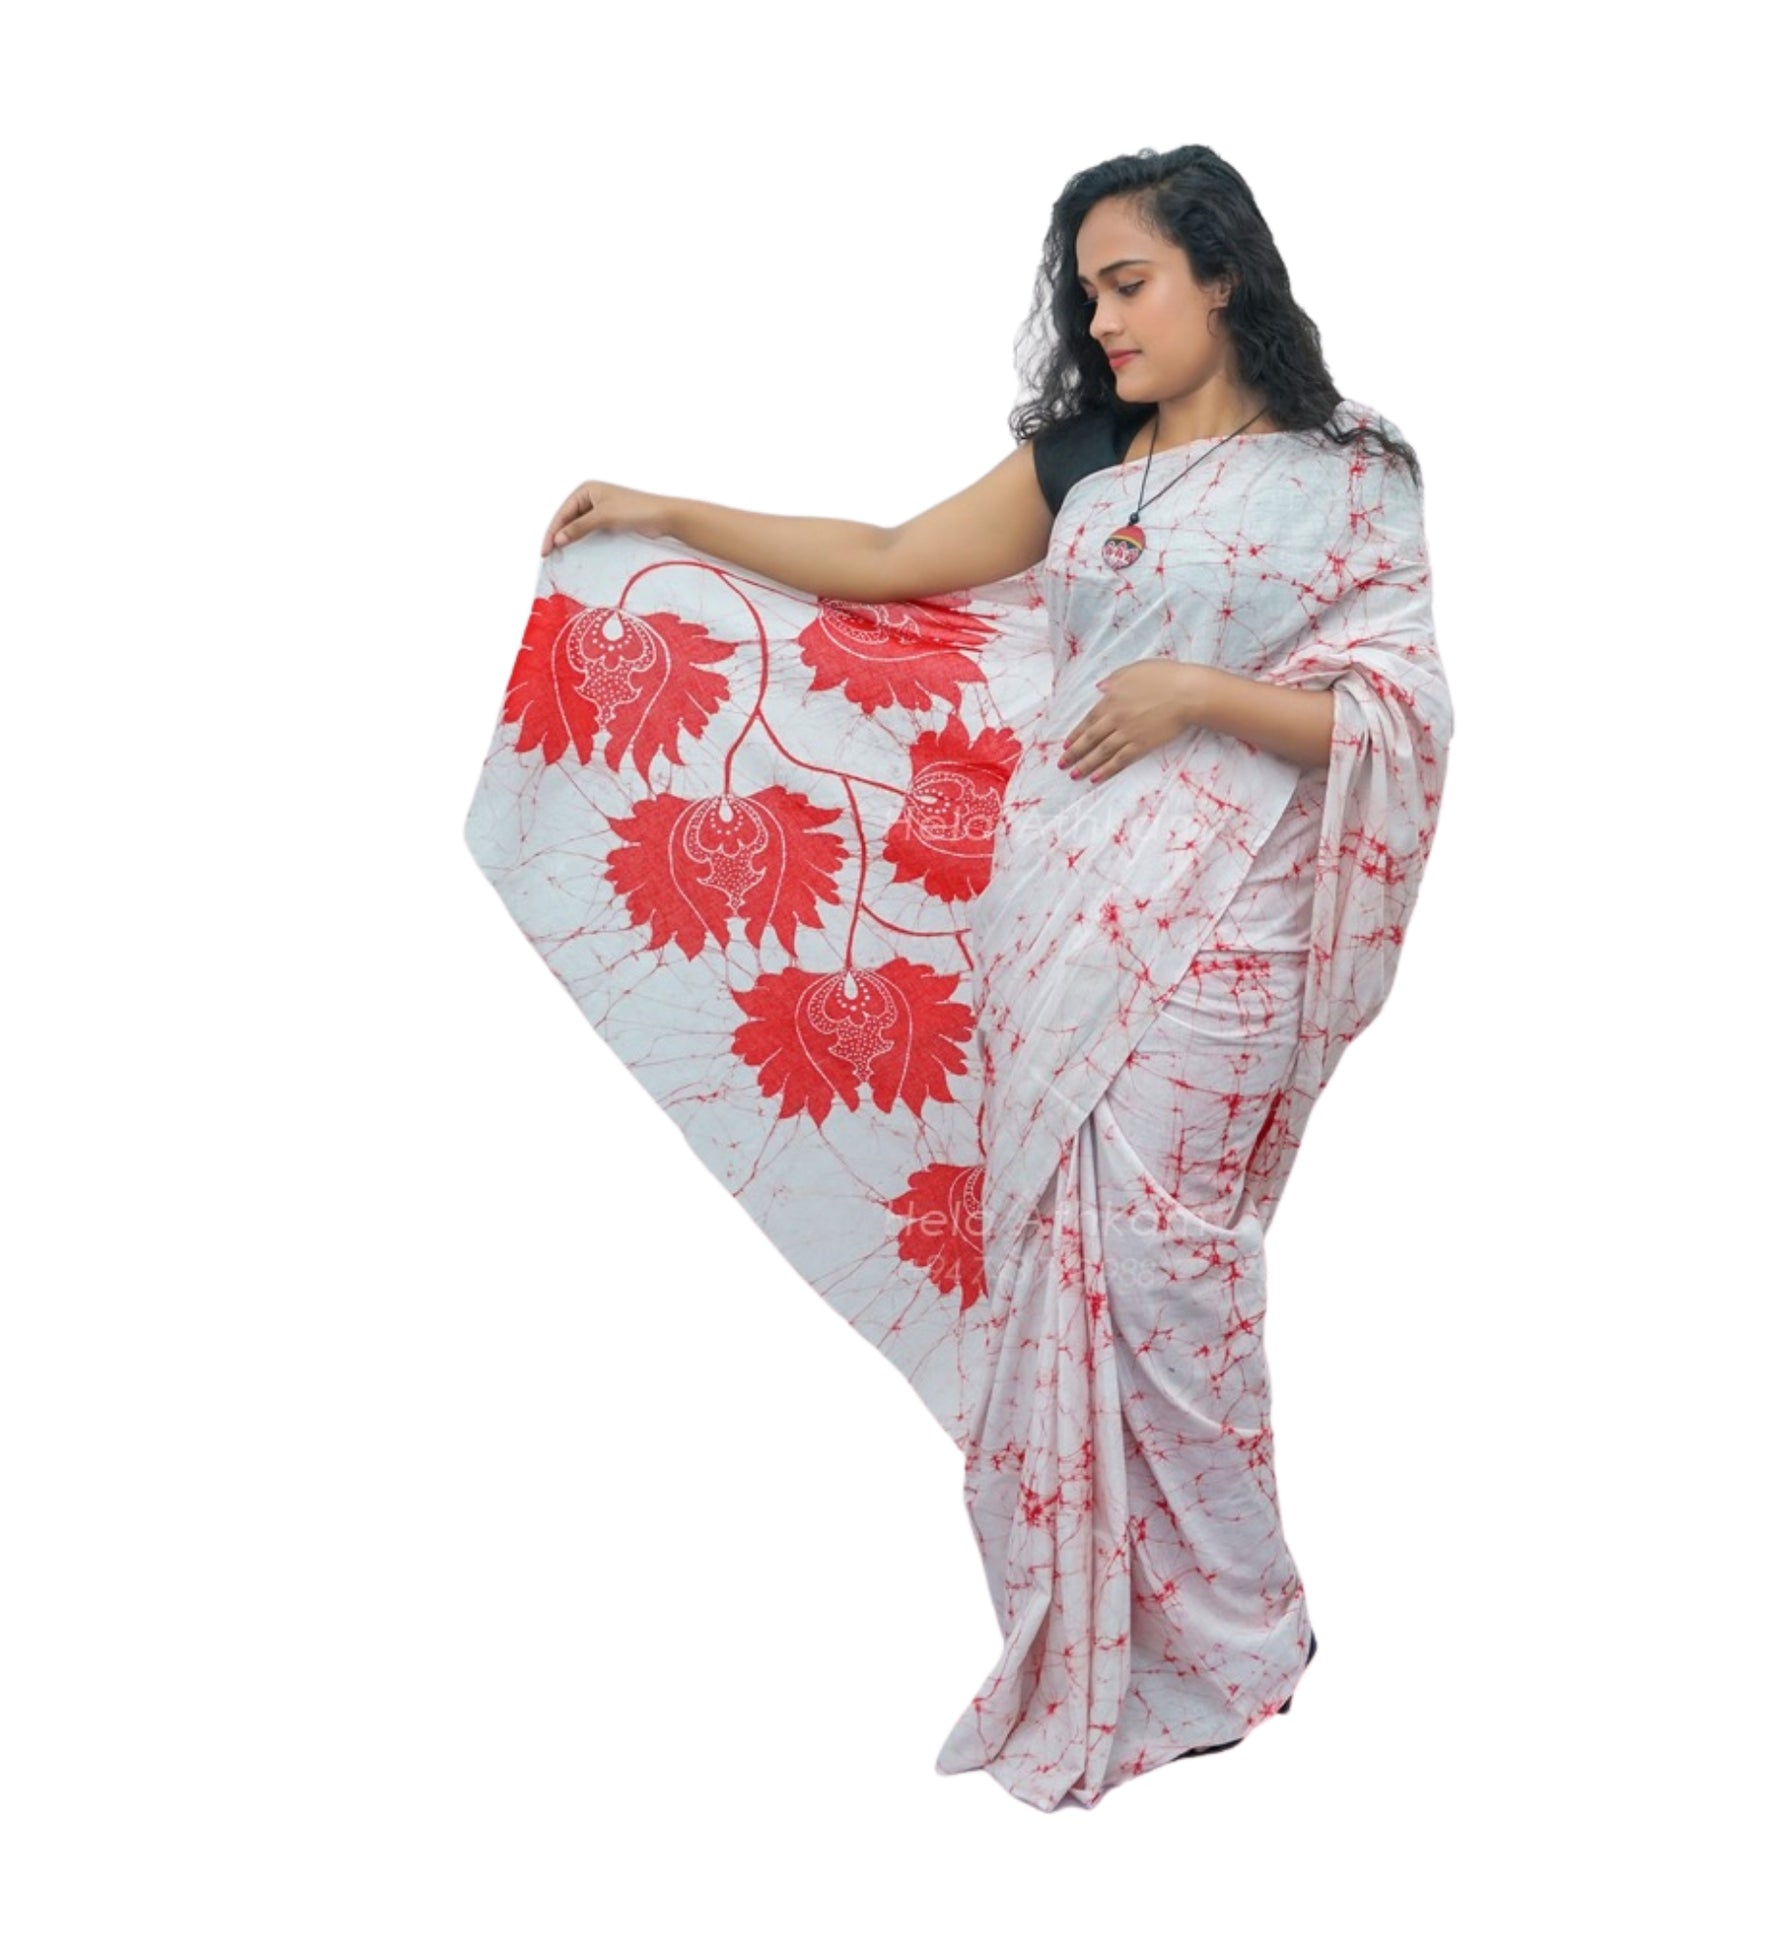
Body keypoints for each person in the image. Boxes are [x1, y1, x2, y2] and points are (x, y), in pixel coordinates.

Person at [468, 143, 1453, 1813]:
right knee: (1062, 1273)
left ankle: (1241, 1626)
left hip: (1228, 927)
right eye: (1084, 294)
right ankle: (1095, 1626)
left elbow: (1402, 711)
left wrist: (1197, 695)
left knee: (1176, 1271)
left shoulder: (1347, 477)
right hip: (1056, 916)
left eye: (1128, 284)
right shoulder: (1085, 455)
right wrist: (666, 513)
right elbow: (883, 557)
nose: (1100, 321)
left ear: (1221, 274)